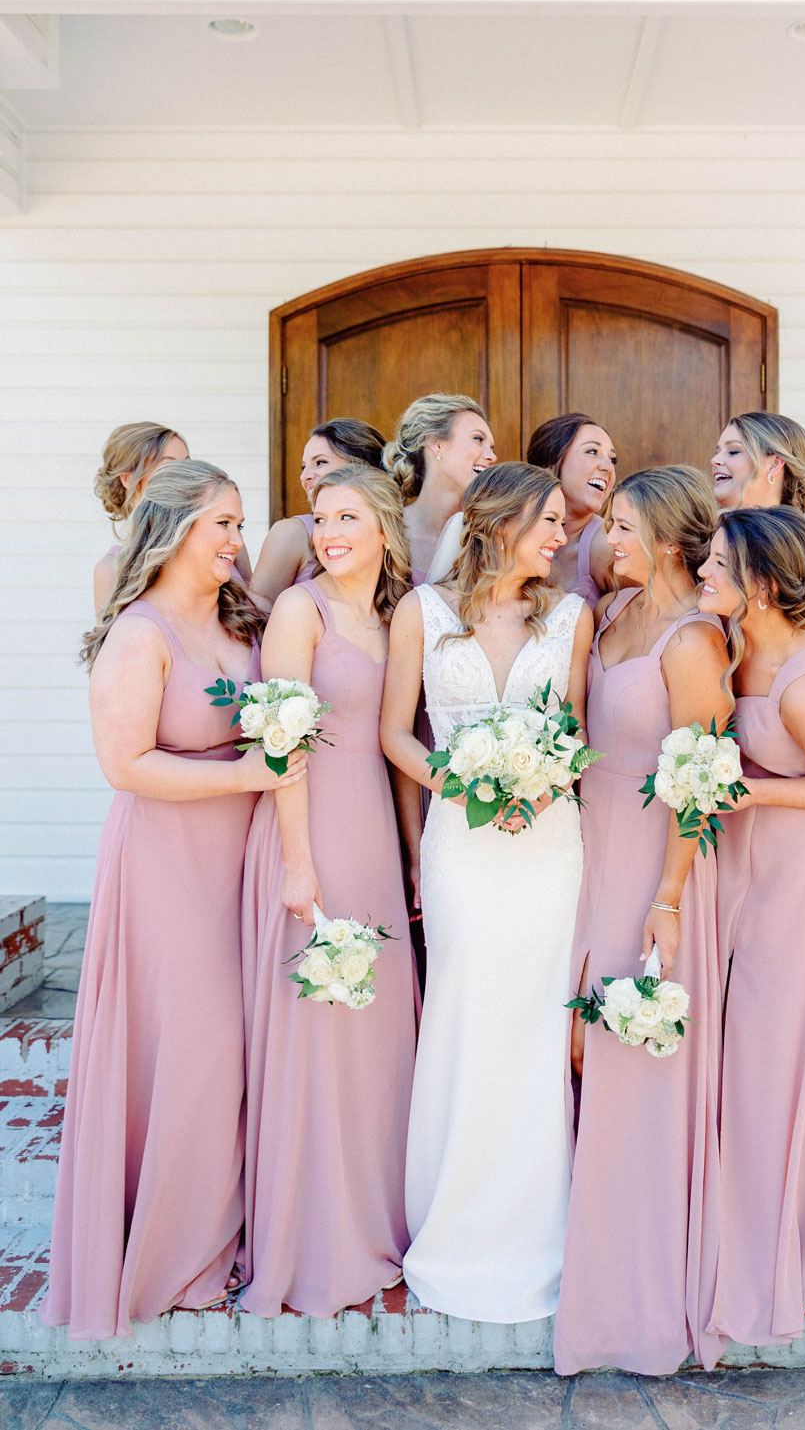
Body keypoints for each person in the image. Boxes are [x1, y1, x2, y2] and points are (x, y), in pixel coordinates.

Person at [40, 461, 305, 1340]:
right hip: (166, 863)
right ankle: (170, 1255)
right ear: (174, 530)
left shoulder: (242, 620)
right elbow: (126, 765)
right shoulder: (139, 633)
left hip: (239, 858)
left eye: (238, 524)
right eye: (222, 524)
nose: (238, 540)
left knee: (236, 1049)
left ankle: (213, 1231)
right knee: (194, 1046)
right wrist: (244, 775)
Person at [380, 461, 594, 1323]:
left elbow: (572, 729)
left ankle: (538, 1226)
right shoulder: (423, 613)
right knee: (468, 1009)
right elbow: (395, 731)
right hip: (461, 842)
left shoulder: (571, 616)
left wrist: (545, 781)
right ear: (497, 521)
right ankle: (458, 1221)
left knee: (540, 1014)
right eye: (547, 519)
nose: (562, 533)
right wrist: (460, 783)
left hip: (548, 845)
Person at [554, 466, 730, 1376]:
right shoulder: (611, 615)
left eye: (620, 525)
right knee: (577, 1048)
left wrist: (667, 899)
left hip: (652, 865)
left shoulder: (693, 640)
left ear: (667, 539)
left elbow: (701, 783)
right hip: (583, 853)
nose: (603, 537)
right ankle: (583, 1250)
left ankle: (633, 1291)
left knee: (627, 1059)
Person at [240, 465, 418, 1317]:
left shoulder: (396, 614)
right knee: (320, 1031)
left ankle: (379, 1217)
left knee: (377, 1032)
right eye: (320, 517)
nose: (328, 531)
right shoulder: (297, 610)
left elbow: (400, 745)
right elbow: (281, 745)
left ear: (385, 525)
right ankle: (316, 1238)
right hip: (311, 832)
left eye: (348, 515)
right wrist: (298, 862)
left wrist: (415, 858)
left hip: (378, 836)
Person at [697, 505, 805, 1348]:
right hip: (743, 863)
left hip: (800, 871)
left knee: (776, 1051)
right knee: (736, 1047)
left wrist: (753, 791)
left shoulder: (804, 681)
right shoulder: (728, 647)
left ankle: (787, 1237)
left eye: (717, 564)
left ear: (760, 584)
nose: (703, 572)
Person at [709, 411, 805, 661]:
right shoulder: (705, 541)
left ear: (773, 464)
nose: (715, 459)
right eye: (718, 451)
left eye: (733, 451)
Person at [248, 419, 386, 610]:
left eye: (320, 463)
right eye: (303, 467)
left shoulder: (394, 531)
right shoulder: (292, 533)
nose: (305, 477)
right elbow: (258, 617)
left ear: (361, 467)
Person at [382, 393, 496, 584]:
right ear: (436, 444)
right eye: (478, 439)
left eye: (492, 447)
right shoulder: (384, 530)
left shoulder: (491, 536)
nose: (492, 456)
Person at [92, 422, 190, 614]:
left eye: (187, 464)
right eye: (169, 466)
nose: (186, 475)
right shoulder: (112, 569)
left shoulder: (222, 535)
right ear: (128, 478)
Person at [527, 413, 617, 606]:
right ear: (548, 466)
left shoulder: (606, 547)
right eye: (592, 452)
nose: (608, 467)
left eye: (612, 459)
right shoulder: (510, 532)